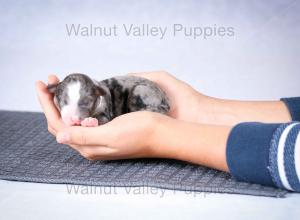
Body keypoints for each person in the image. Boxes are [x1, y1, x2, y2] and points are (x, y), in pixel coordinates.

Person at [36, 71, 300, 192]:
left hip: (145, 99)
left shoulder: (104, 98)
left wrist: (160, 135)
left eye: (82, 104)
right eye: (63, 102)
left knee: (139, 99)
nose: (69, 114)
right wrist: (201, 110)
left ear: (97, 99)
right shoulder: (95, 95)